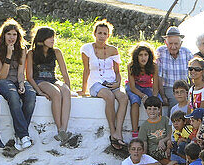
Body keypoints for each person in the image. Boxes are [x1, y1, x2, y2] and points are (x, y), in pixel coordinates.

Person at [81, 20, 127, 150]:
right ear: (94, 34)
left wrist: (118, 83)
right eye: (99, 33)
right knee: (109, 97)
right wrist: (84, 89)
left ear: (108, 35)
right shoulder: (87, 48)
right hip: (96, 82)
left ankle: (119, 131)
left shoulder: (113, 50)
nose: (102, 36)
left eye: (105, 33)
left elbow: (118, 72)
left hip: (111, 81)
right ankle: (113, 132)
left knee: (123, 98)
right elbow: (86, 70)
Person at [0, 17, 35, 150]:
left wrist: (21, 83)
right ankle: (24, 135)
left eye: (14, 34)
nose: (11, 37)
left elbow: (21, 72)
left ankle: (19, 135)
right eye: (9, 34)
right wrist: (9, 55)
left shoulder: (22, 49)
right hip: (2, 81)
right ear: (3, 35)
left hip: (17, 80)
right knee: (13, 96)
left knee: (31, 95)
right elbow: (2, 75)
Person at [29, 25, 71, 142]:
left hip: (53, 79)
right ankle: (59, 128)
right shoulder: (31, 53)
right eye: (50, 38)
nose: (53, 40)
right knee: (56, 93)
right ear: (42, 39)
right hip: (40, 80)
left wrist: (68, 86)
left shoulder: (56, 52)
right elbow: (30, 76)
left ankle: (64, 129)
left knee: (65, 91)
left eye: (53, 37)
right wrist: (39, 91)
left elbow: (64, 73)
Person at [125, 41, 157, 137]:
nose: (143, 58)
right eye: (140, 55)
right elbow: (132, 87)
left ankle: (155, 128)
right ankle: (135, 131)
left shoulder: (154, 66)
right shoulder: (131, 66)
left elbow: (155, 85)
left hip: (147, 86)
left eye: (146, 55)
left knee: (156, 102)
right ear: (136, 56)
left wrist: (153, 97)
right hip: (134, 87)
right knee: (135, 101)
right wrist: (143, 96)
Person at [155, 25, 187, 108]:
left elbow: (193, 73)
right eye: (170, 44)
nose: (173, 47)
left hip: (184, 88)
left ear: (181, 43)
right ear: (166, 43)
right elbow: (159, 77)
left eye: (176, 44)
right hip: (168, 88)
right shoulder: (160, 52)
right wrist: (162, 95)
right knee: (176, 101)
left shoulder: (187, 52)